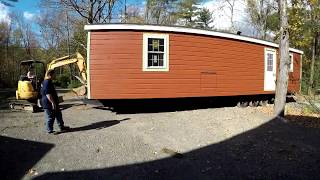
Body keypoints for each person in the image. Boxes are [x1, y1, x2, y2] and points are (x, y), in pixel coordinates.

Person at [41, 70, 69, 134]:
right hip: (49, 103)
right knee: (50, 117)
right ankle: (49, 130)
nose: (55, 76)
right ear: (50, 75)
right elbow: (48, 94)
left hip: (53, 102)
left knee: (58, 114)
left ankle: (62, 127)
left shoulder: (49, 82)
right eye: (54, 74)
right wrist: (52, 103)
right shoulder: (46, 82)